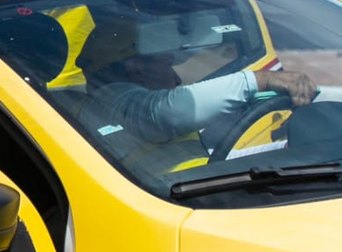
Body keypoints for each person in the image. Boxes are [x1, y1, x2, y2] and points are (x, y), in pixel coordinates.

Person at [75, 11, 318, 150]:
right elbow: (173, 110)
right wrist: (260, 79)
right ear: (136, 68)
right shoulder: (113, 102)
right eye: (167, 65)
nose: (177, 78)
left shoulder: (110, 105)